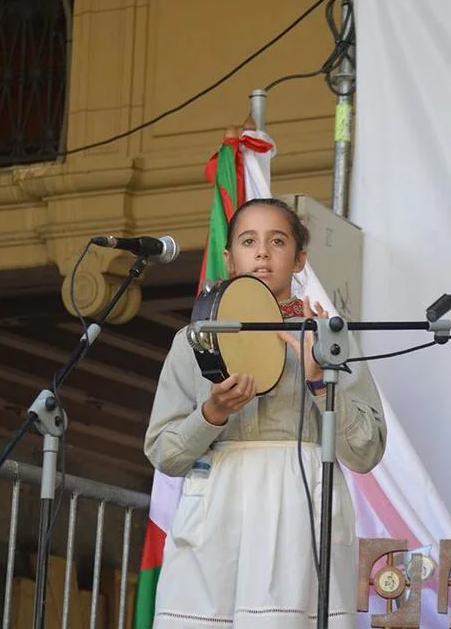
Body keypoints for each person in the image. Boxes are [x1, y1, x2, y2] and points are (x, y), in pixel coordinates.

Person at [145, 197, 387, 628]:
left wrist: (320, 382)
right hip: (216, 516)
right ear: (228, 258)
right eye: (248, 241)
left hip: (301, 516)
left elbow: (365, 451)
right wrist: (212, 413)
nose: (262, 253)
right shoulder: (195, 338)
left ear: (300, 259)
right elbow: (165, 454)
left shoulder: (329, 337)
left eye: (277, 241)